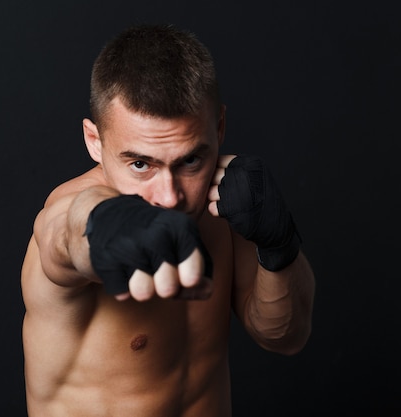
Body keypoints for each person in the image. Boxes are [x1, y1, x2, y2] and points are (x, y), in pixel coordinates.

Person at [21, 23, 315, 417]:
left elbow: (285, 337)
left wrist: (278, 243)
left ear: (220, 128)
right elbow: (64, 231)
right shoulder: (71, 206)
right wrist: (103, 224)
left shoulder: (222, 204)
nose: (170, 196)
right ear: (95, 142)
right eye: (140, 164)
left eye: (190, 160)